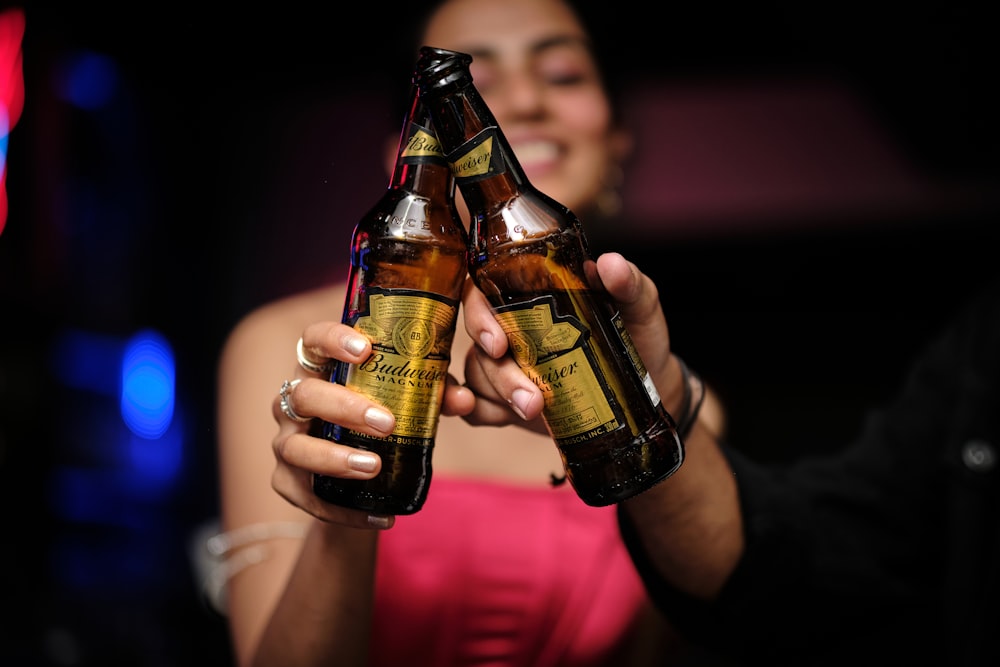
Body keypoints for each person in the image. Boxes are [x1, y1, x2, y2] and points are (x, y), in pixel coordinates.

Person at [213, 1, 724, 665]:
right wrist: (343, 508)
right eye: (466, 90)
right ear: (408, 152)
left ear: (618, 138)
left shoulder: (683, 404)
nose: (523, 100)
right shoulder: (287, 348)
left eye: (562, 73)